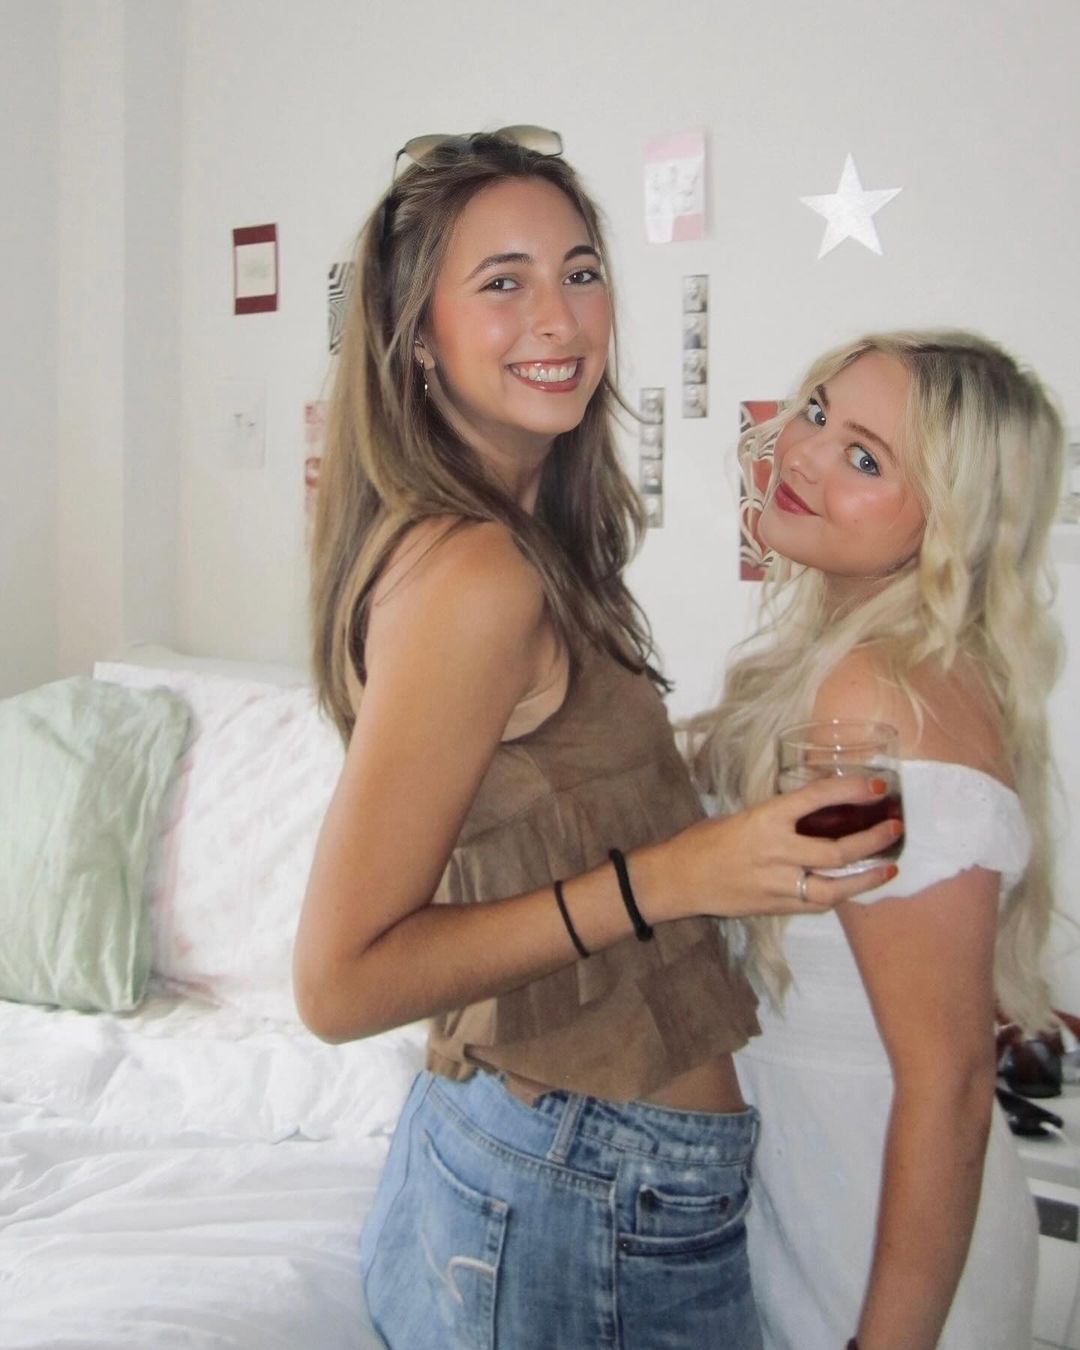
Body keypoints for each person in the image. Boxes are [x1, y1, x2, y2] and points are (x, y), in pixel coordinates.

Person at [293, 129, 899, 1350]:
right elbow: (339, 981)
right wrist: (677, 876)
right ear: (419, 335)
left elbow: (534, 797)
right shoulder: (477, 574)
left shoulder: (504, 537)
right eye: (501, 282)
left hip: (534, 1155)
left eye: (579, 271)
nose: (559, 318)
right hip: (588, 1188)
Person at [692, 330, 1064, 1350]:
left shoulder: (879, 696)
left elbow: (948, 1083)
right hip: (829, 1204)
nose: (805, 453)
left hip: (873, 1242)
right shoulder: (851, 664)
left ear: (949, 525)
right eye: (817, 412)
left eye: (865, 457)